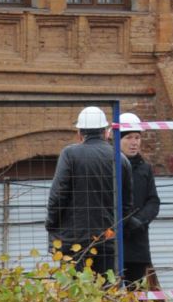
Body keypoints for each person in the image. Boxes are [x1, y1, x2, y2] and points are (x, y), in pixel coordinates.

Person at [45, 104, 133, 276]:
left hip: (73, 242)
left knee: (74, 296)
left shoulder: (70, 155)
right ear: (105, 132)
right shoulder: (120, 159)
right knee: (106, 294)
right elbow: (127, 206)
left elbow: (58, 196)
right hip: (107, 242)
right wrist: (113, 231)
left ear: (79, 133)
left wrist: (51, 223)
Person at [117, 110, 161, 289]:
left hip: (137, 243)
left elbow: (153, 201)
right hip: (113, 241)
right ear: (117, 140)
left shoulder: (145, 169)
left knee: (135, 294)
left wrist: (139, 220)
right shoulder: (110, 167)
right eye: (128, 138)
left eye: (137, 137)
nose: (134, 142)